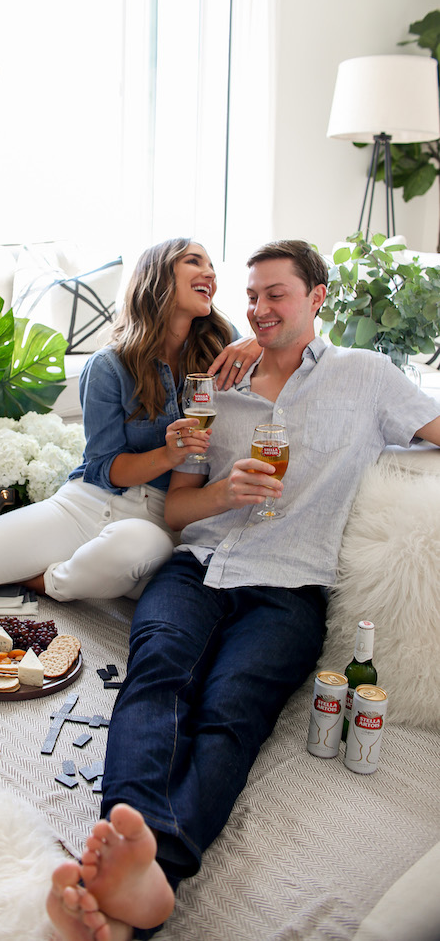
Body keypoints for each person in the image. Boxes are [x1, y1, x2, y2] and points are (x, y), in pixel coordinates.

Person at [46, 239, 440, 940]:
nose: (258, 308)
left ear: (318, 297)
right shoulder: (213, 386)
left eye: (276, 294)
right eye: (252, 295)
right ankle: (130, 852)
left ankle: (151, 876)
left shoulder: (367, 377)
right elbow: (177, 509)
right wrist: (225, 493)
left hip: (289, 588)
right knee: (157, 678)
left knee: (232, 711)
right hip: (198, 567)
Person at [0, 238, 261, 605]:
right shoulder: (109, 365)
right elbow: (105, 467)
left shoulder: (222, 346)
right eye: (194, 261)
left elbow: (287, 349)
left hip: (162, 521)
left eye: (212, 265)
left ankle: (43, 580)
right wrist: (168, 454)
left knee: (138, 552)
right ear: (157, 276)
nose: (210, 273)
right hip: (89, 503)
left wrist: (258, 341)